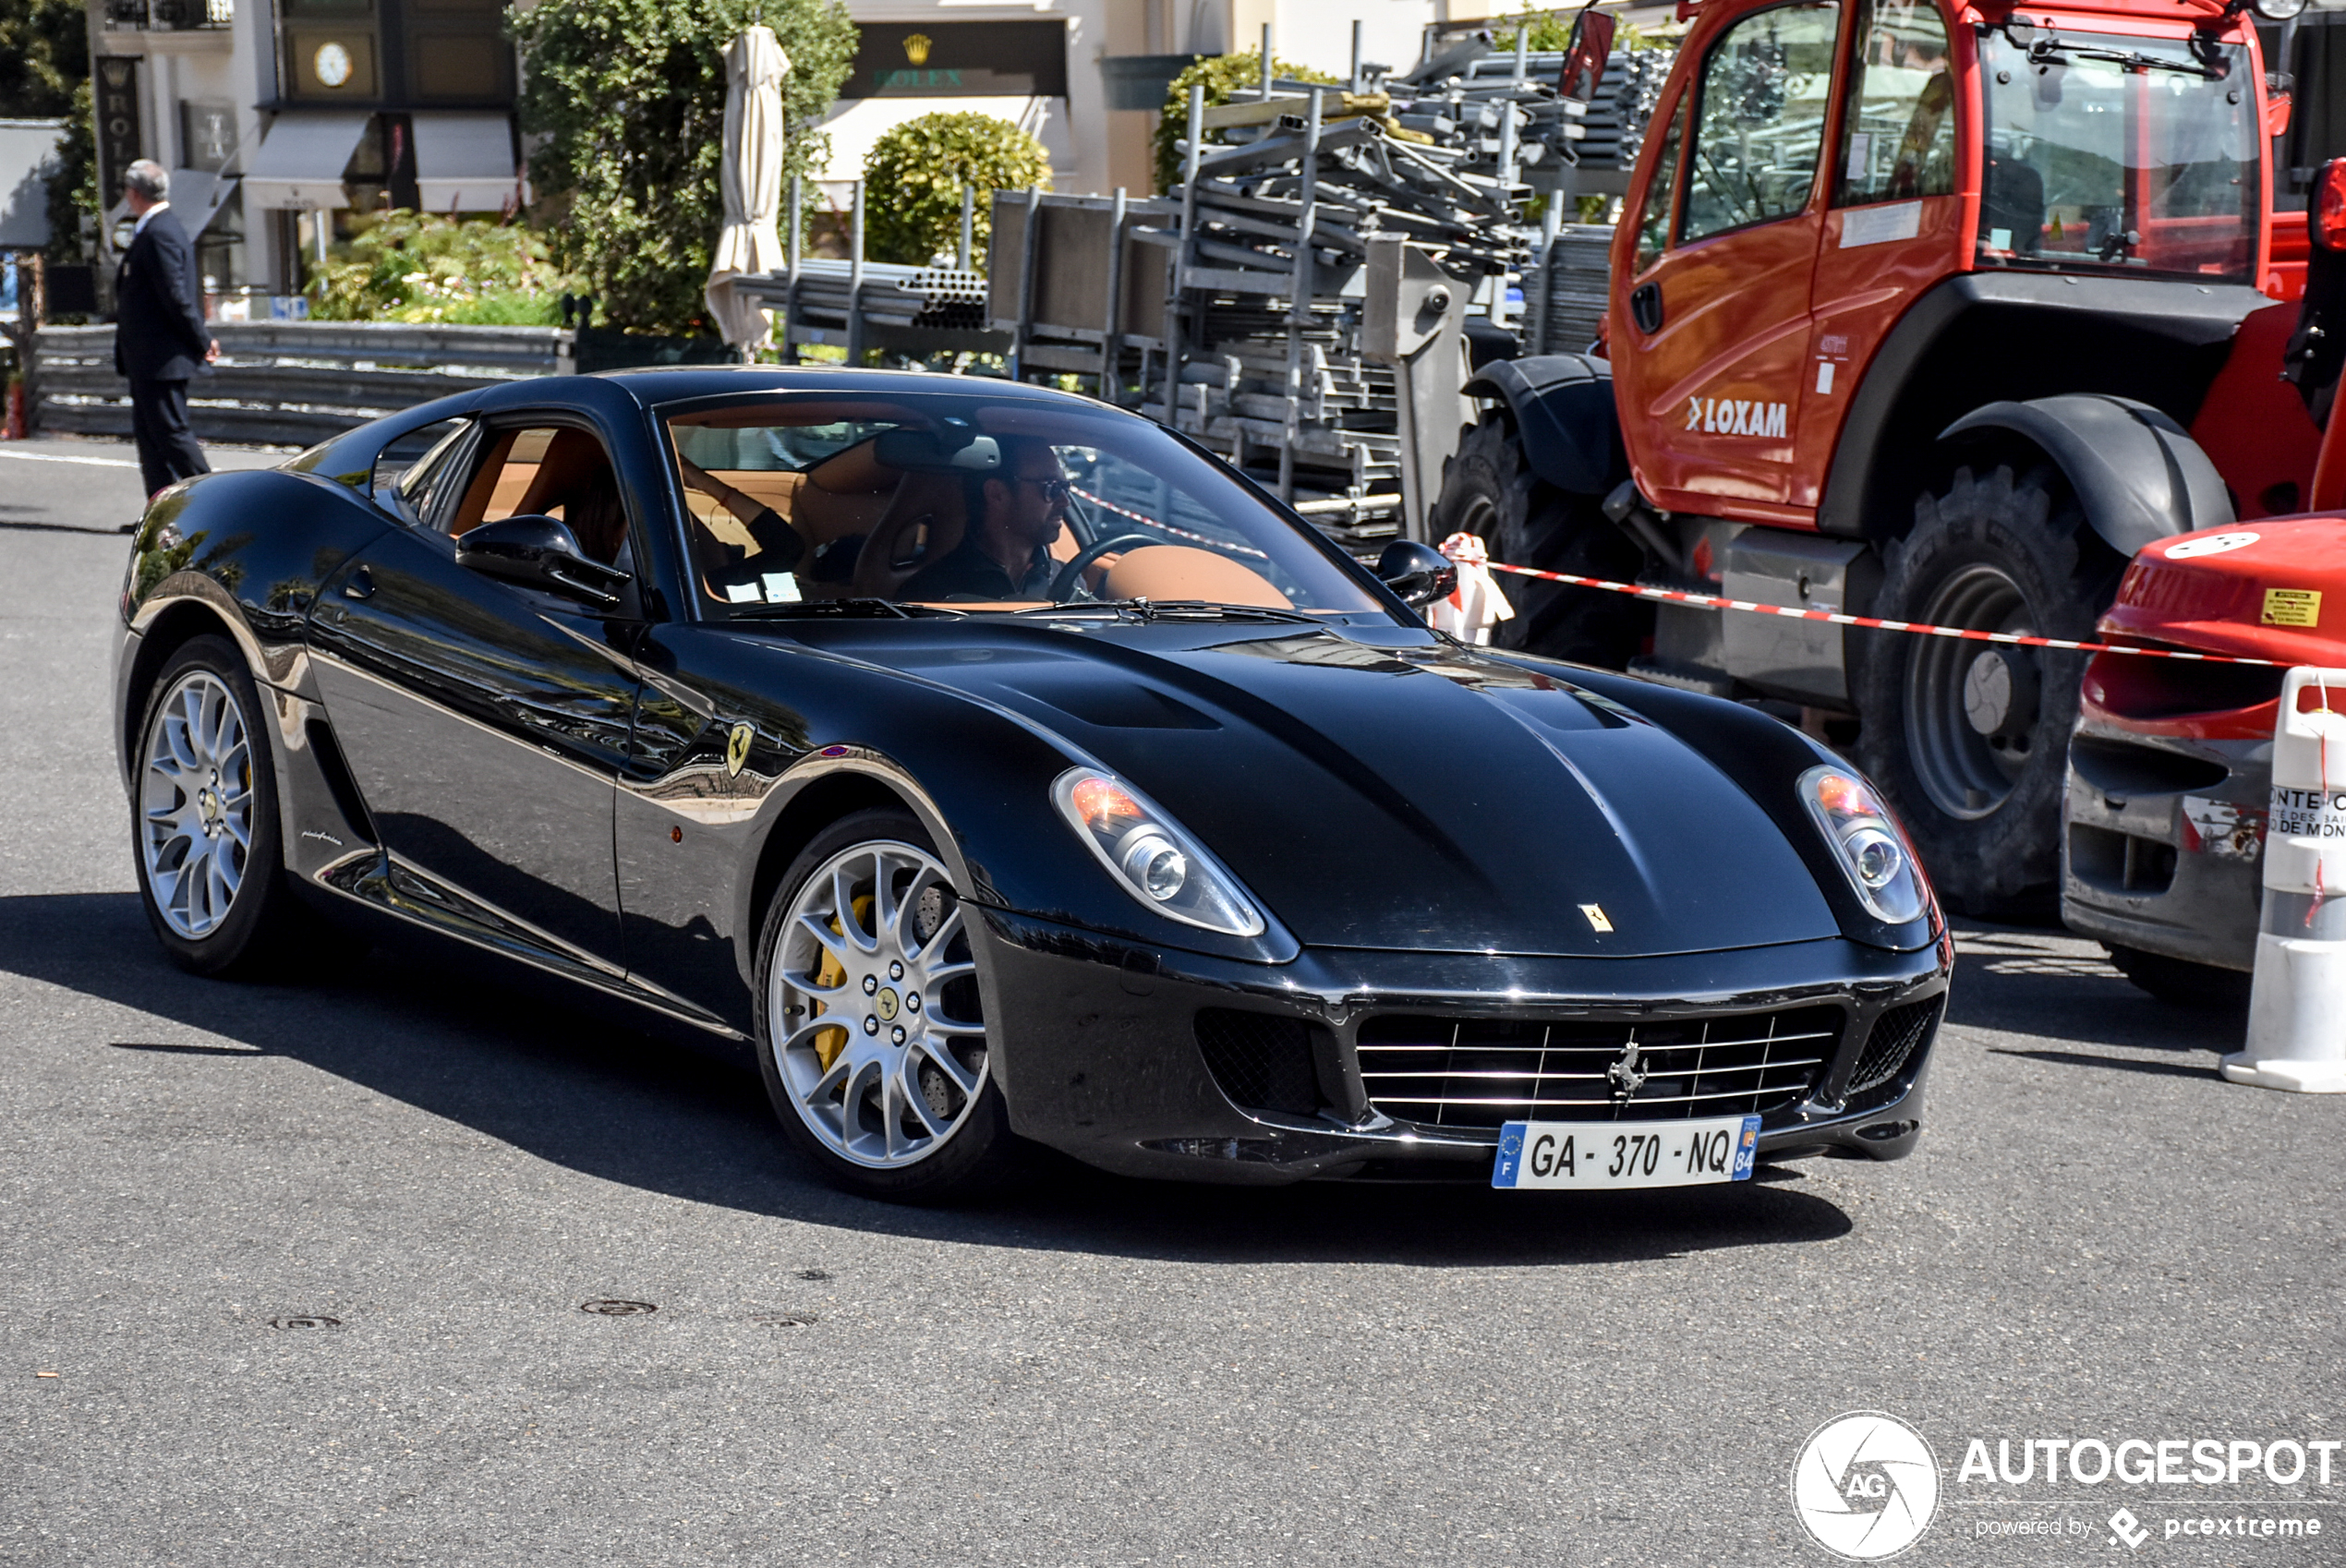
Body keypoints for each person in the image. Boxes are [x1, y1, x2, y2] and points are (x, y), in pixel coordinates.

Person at [113, 160, 218, 506]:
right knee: (151, 439)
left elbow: (176, 296)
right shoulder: (156, 229)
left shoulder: (159, 232)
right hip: (147, 359)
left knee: (172, 434)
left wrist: (201, 340)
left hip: (161, 357)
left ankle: (215, 503)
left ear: (133, 193)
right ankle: (160, 515)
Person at [898, 435, 1070, 601]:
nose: (1065, 501)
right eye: (1052, 488)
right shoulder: (931, 591)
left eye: (1065, 487)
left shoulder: (1066, 578)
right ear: (996, 494)